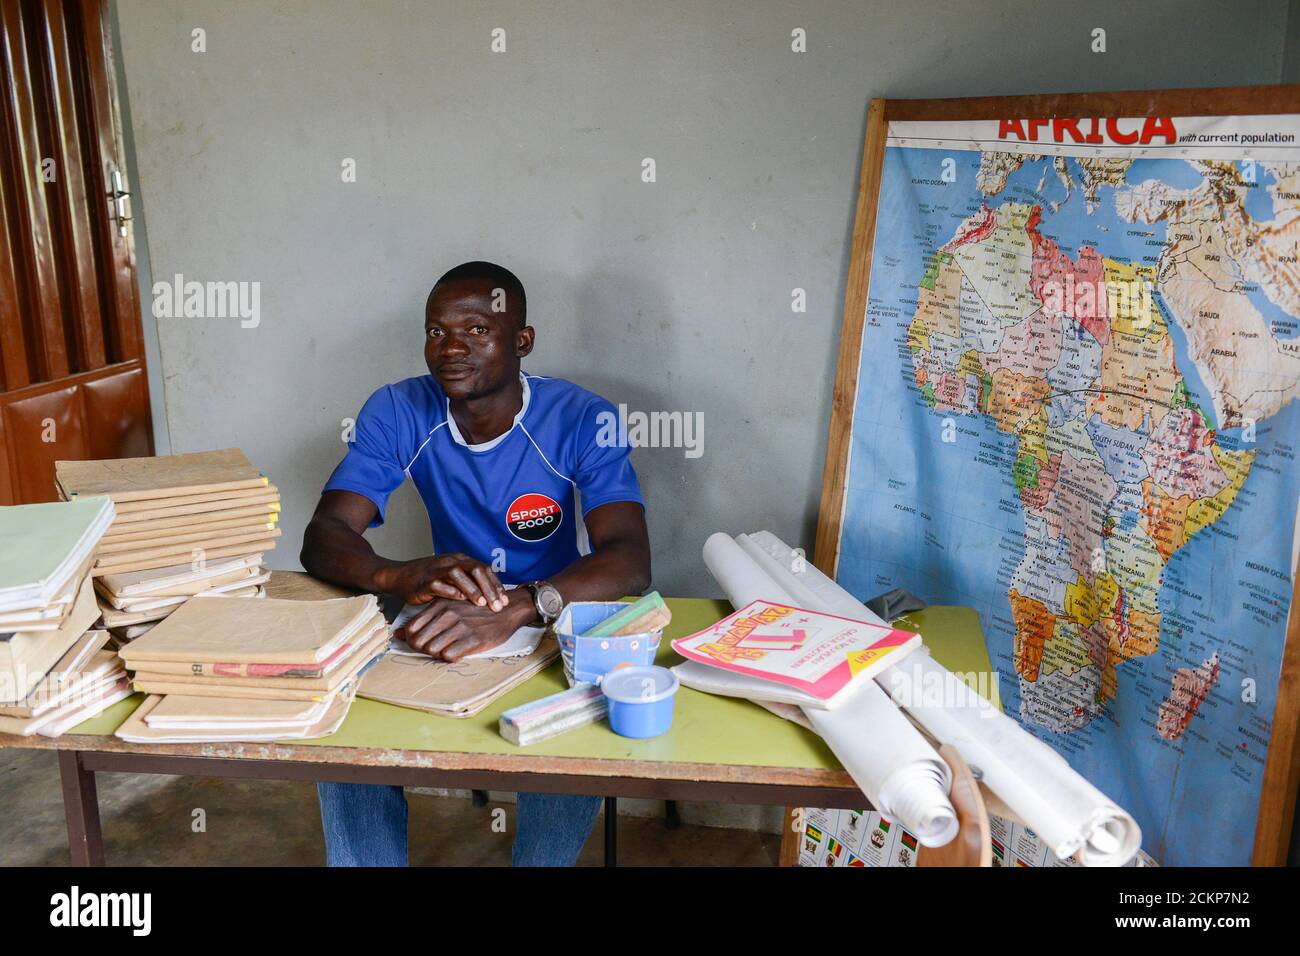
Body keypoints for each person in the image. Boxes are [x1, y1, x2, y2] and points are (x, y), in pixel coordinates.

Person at [301, 260, 651, 866]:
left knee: (566, 738)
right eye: (436, 331)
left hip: (550, 612)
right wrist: (398, 575)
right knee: (347, 731)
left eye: (476, 330)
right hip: (445, 613)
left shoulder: (581, 418)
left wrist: (520, 606)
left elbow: (629, 558)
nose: (451, 348)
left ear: (522, 341)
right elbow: (325, 534)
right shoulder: (397, 409)